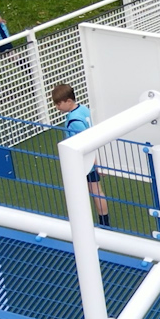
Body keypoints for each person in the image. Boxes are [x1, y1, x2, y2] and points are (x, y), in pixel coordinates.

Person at [51, 83, 111, 228]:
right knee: (96, 190)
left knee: (81, 192)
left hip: (81, 161)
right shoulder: (83, 109)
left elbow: (86, 142)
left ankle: (86, 223)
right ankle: (104, 223)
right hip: (86, 160)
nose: (57, 107)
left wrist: (95, 164)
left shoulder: (74, 121)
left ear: (68, 101)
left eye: (59, 103)